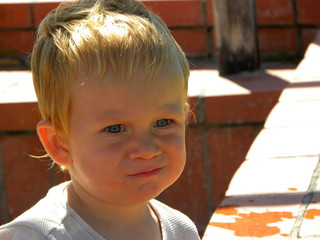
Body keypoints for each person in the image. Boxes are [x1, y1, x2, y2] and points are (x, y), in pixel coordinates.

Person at [0, 0, 200, 239]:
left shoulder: (181, 229)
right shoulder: (36, 237)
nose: (146, 150)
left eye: (163, 122)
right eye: (115, 129)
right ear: (59, 143)